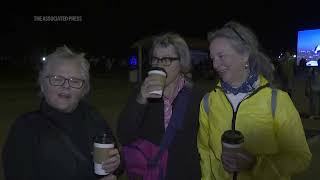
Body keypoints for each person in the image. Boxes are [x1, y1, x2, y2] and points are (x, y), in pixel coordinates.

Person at [197, 21, 312, 180]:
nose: (215, 65)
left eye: (221, 56)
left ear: (245, 55)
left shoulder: (276, 101)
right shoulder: (208, 102)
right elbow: (205, 153)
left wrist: (256, 164)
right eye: (212, 58)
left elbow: (300, 157)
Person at [3, 46, 121, 180]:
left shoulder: (94, 117)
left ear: (84, 89)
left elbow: (117, 163)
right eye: (57, 78)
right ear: (43, 84)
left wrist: (116, 163)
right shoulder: (25, 128)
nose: (66, 86)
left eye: (75, 80)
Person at [117, 32, 204, 180]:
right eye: (156, 59)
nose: (159, 65)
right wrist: (141, 100)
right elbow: (124, 136)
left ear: (182, 62)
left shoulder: (197, 98)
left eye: (167, 60)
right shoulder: (141, 93)